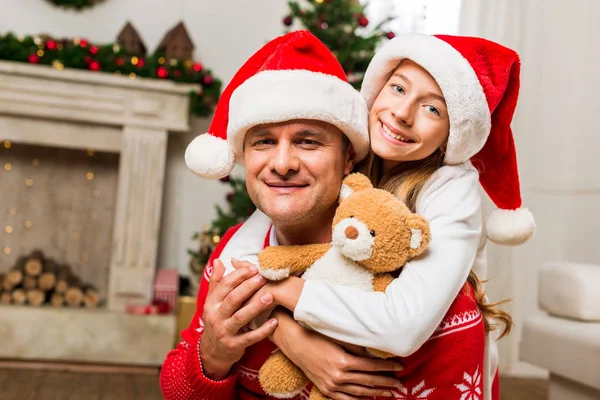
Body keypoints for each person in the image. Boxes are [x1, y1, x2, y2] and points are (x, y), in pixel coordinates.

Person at [212, 33, 536, 400]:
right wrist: (291, 337)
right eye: (398, 88)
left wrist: (277, 290)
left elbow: (403, 326)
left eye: (433, 109)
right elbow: (235, 259)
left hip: (430, 367)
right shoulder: (337, 154)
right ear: (377, 89)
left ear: (452, 135)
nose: (402, 113)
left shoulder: (453, 190)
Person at [160, 30, 406, 400]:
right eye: (264, 141)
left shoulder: (396, 257)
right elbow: (177, 391)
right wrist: (214, 355)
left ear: (347, 158)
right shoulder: (232, 254)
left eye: (307, 141)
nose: (282, 164)